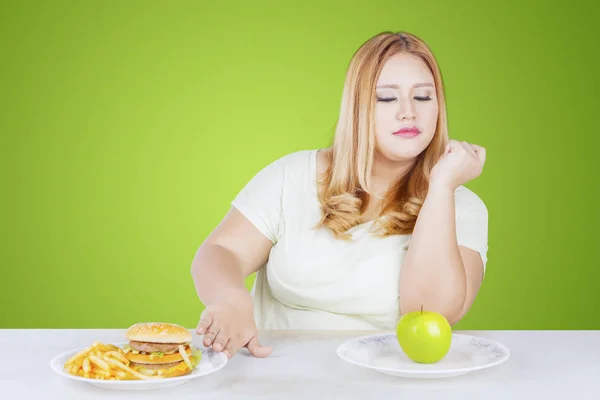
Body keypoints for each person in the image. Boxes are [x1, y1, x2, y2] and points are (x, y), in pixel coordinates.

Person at [191, 31, 488, 359]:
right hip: (271, 379)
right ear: (358, 107)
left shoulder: (461, 206)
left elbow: (429, 310)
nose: (408, 112)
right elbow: (221, 250)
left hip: (384, 385)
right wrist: (231, 300)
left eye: (423, 97)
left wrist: (441, 187)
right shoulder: (292, 176)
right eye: (386, 98)